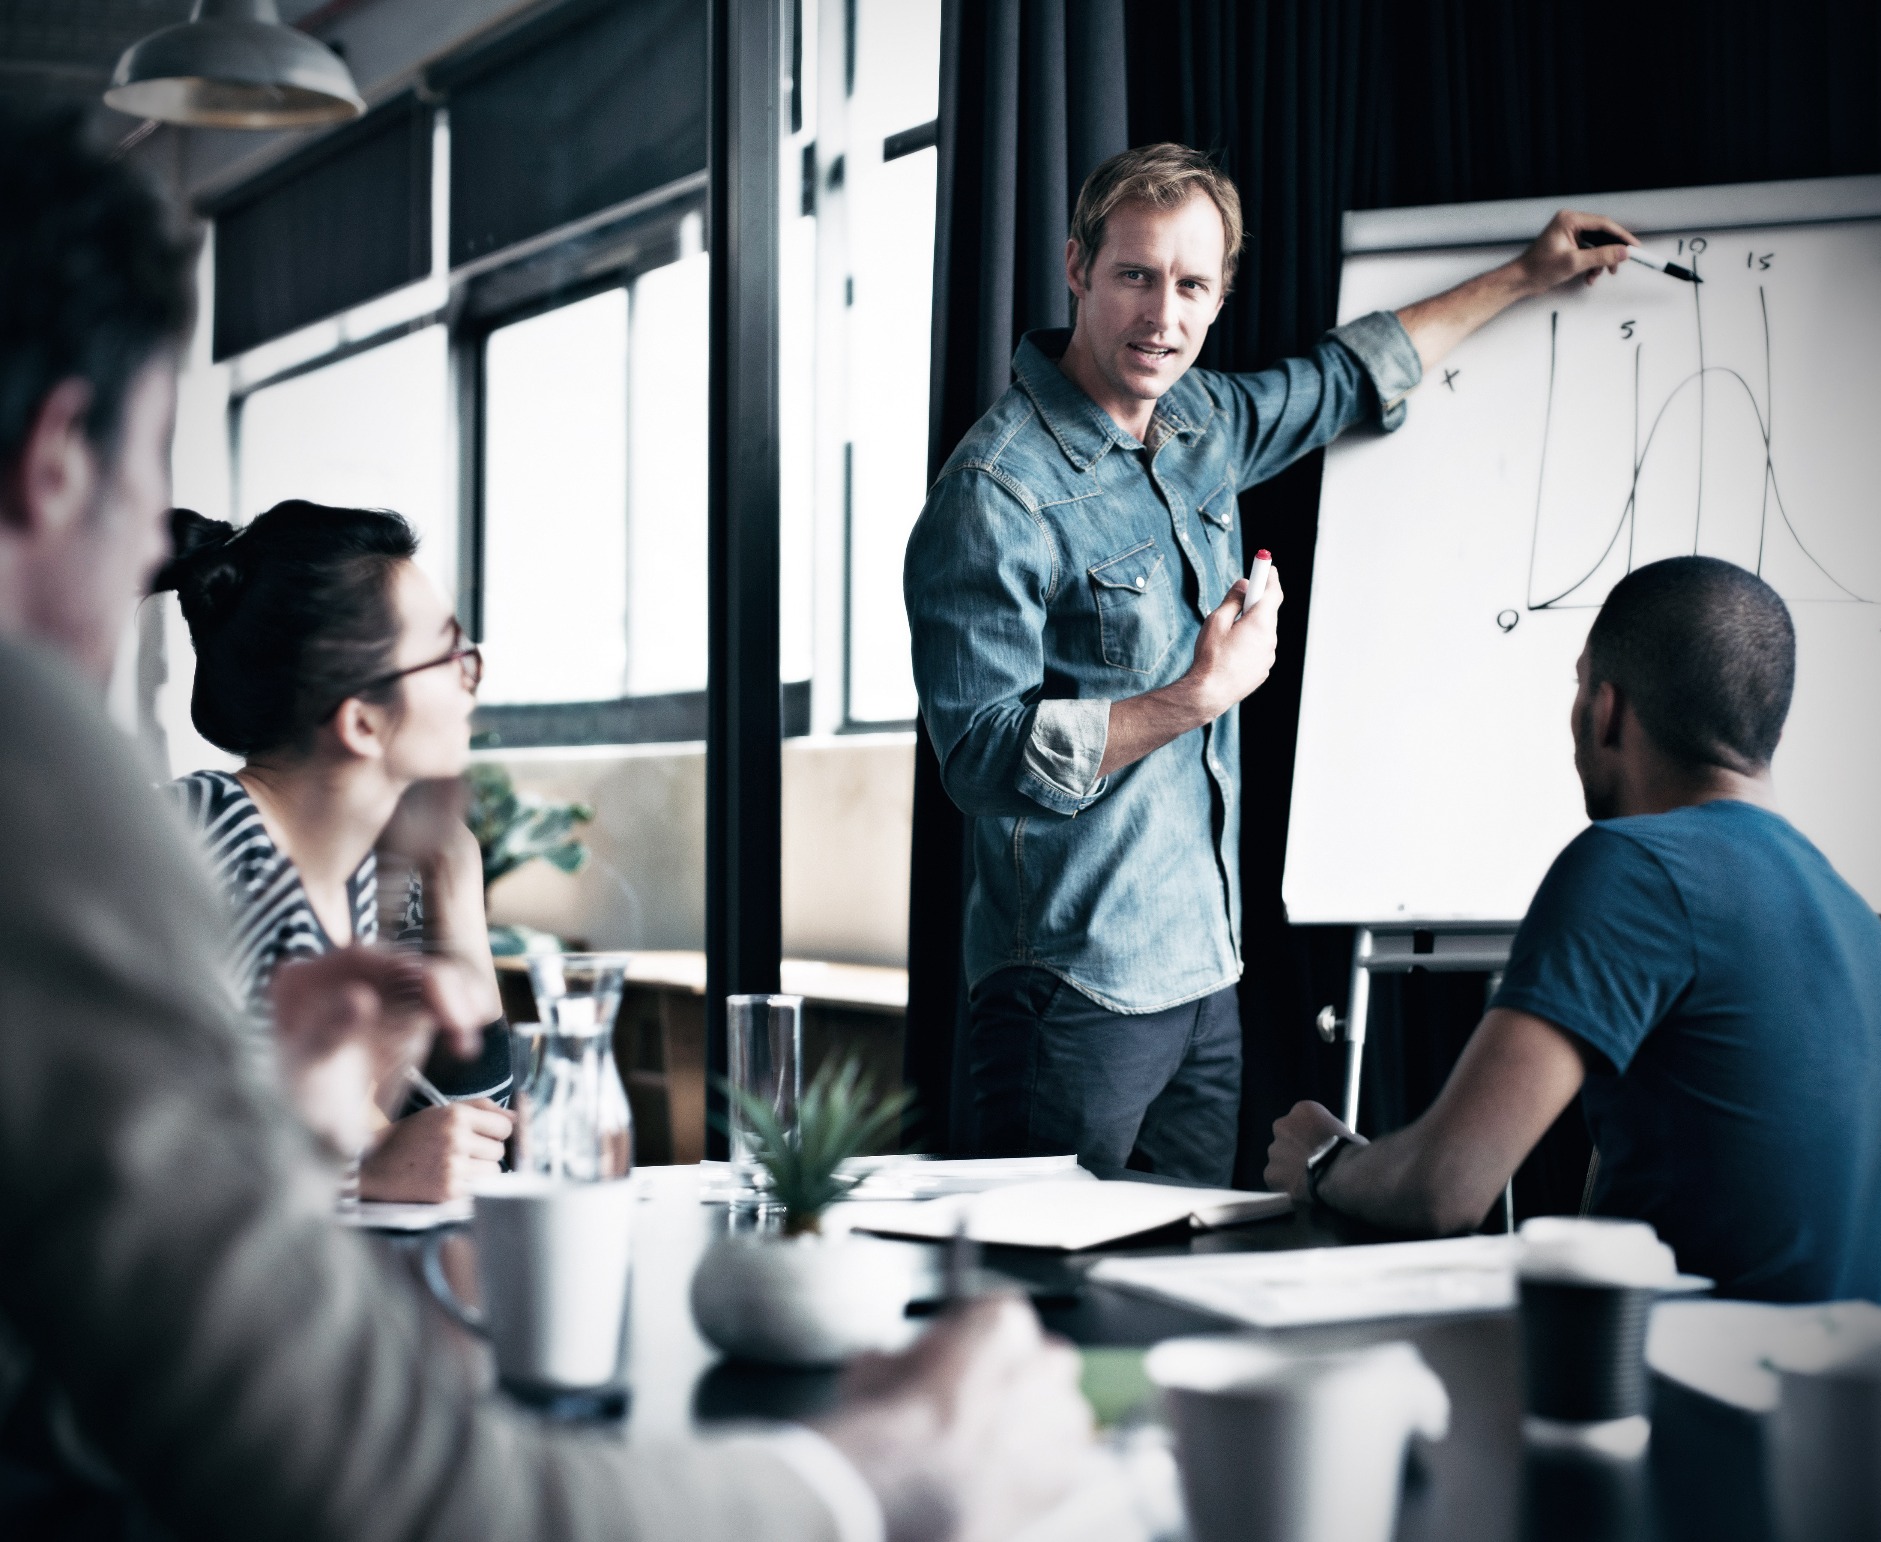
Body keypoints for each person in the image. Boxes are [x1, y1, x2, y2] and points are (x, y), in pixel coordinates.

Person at [0, 107, 1092, 1541]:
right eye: (147, 474)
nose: (476, 674)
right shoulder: (80, 805)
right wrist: (870, 1474)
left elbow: (153, 1232)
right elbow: (364, 1480)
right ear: (61, 458)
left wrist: (317, 1102)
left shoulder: (378, 875)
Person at [905, 141, 1641, 1183]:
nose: (1162, 316)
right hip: (1070, 995)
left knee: (1185, 1271)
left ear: (1219, 296)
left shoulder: (1202, 421)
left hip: (1206, 976)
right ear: (1077, 267)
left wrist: (1527, 274)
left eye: (1191, 286)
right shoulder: (995, 492)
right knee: (1044, 1281)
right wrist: (1198, 695)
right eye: (1135, 275)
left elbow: (1349, 376)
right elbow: (979, 758)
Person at [1264, 557, 1881, 1304]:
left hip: (1666, 1376)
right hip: (1828, 1380)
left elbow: (1444, 1190)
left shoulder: (1636, 866)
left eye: (1578, 685)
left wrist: (1323, 1159)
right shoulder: (1876, 946)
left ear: (1606, 709)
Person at [154, 500, 515, 1203]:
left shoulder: (368, 875)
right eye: (449, 656)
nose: (472, 680)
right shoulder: (197, 848)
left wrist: (457, 882)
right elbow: (129, 1150)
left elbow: (470, 1145)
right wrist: (367, 1171)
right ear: (362, 721)